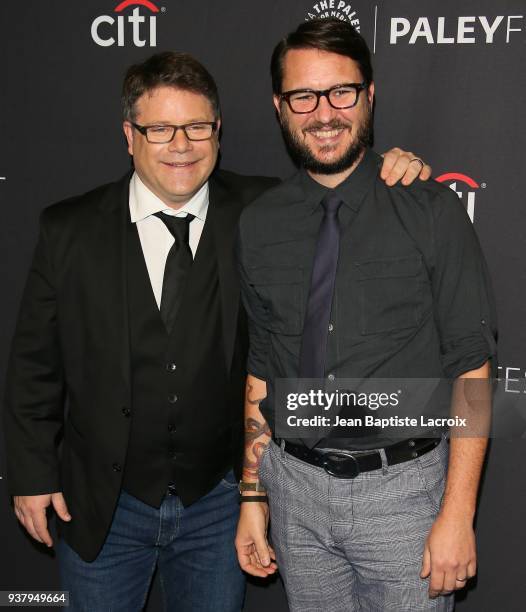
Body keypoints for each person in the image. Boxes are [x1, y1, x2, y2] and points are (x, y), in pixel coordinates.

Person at [3, 50, 430, 611]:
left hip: (220, 503)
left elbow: (342, 185)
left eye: (197, 127)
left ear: (218, 131)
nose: (181, 145)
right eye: (160, 129)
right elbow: (35, 366)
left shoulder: (264, 211)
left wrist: (395, 167)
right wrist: (32, 475)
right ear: (129, 135)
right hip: (104, 504)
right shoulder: (69, 230)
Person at [235, 18, 497, 612]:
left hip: (403, 495)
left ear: (370, 95)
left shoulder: (430, 211)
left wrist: (458, 514)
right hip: (293, 490)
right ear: (280, 106)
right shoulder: (258, 224)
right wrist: (253, 497)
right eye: (303, 95)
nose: (323, 113)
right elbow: (260, 369)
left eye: (341, 92)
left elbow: (472, 372)